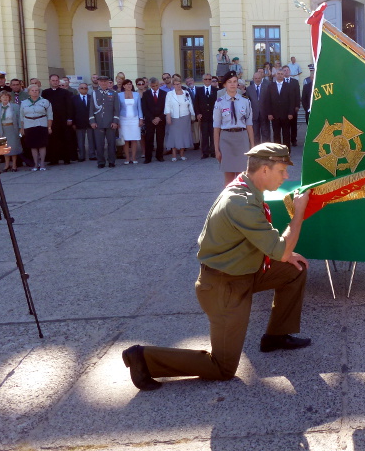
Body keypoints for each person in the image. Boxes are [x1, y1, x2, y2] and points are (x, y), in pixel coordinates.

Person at [122, 143, 312, 391]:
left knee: (293, 270)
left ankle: (276, 336)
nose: (286, 176)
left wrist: (283, 254)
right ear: (264, 170)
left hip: (243, 272)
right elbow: (281, 248)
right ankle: (143, 358)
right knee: (222, 368)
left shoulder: (247, 187)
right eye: (282, 170)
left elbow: (272, 246)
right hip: (224, 287)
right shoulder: (240, 202)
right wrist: (298, 214)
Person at [215, 71, 254, 186]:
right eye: (229, 82)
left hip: (242, 138)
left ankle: (243, 201)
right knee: (229, 178)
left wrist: (252, 146)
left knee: (244, 176)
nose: (232, 84)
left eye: (235, 82)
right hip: (226, 139)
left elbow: (249, 125)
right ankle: (228, 202)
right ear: (224, 85)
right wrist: (216, 149)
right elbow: (216, 127)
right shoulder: (219, 103)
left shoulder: (245, 101)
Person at [42, 74, 75, 165]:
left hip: (63, 120)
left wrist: (69, 118)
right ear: (50, 81)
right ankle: (53, 160)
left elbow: (69, 106)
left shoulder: (65, 92)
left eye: (56, 80)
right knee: (52, 140)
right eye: (53, 80)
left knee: (65, 139)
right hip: (51, 120)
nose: (55, 82)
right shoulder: (45, 93)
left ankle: (66, 159)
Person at [20, 84, 53, 171]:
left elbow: (50, 115)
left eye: (36, 90)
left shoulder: (45, 102)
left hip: (41, 124)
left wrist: (49, 127)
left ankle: (42, 164)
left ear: (39, 92)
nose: (35, 92)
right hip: (29, 125)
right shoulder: (24, 103)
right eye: (32, 90)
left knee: (42, 145)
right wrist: (22, 128)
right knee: (33, 145)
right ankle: (35, 164)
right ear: (29, 92)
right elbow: (21, 116)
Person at [89, 76, 120, 168]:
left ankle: (111, 161)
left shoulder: (113, 93)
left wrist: (115, 121)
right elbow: (91, 109)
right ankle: (101, 162)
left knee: (111, 143)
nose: (103, 83)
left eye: (105, 81)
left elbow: (116, 109)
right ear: (98, 82)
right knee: (99, 144)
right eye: (101, 81)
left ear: (108, 83)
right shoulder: (94, 93)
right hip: (98, 123)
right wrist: (92, 121)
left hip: (110, 123)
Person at [164, 76, 194, 161]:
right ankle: (174, 155)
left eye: (179, 83)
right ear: (173, 85)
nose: (178, 85)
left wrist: (193, 114)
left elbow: (190, 104)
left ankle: (182, 154)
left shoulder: (186, 92)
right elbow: (167, 106)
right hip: (174, 117)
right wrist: (168, 116)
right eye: (176, 84)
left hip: (185, 117)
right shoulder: (170, 94)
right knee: (174, 136)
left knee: (183, 136)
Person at [265, 68, 295, 151]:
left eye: (282, 74)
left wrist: (290, 113)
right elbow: (268, 100)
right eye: (278, 73)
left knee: (286, 134)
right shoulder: (271, 86)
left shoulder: (288, 86)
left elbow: (292, 100)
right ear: (276, 75)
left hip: (286, 115)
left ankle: (286, 152)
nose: (280, 75)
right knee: (276, 134)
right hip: (275, 115)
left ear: (284, 75)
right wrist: (269, 113)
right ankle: (277, 152)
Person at [0, 91, 22, 171]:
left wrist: (21, 128)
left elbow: (19, 118)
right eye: (3, 97)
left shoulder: (15, 106)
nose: (5, 98)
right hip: (1, 129)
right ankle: (6, 165)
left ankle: (14, 165)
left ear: (9, 98)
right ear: (0, 98)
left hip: (12, 128)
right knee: (4, 148)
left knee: (13, 147)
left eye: (6, 97)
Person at [141, 77, 167, 162]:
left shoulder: (164, 94)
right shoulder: (146, 94)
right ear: (149, 85)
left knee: (160, 139)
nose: (155, 87)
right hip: (150, 120)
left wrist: (159, 118)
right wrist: (152, 118)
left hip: (161, 119)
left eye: (156, 86)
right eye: (153, 86)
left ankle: (159, 156)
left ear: (159, 84)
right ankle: (148, 157)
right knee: (149, 138)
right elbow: (144, 108)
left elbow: (166, 108)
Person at [118, 79, 143, 164]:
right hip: (123, 119)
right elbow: (118, 108)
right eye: (127, 84)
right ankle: (127, 158)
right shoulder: (119, 95)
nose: (129, 86)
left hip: (134, 119)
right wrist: (117, 120)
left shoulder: (136, 94)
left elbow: (139, 107)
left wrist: (141, 118)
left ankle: (134, 157)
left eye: (130, 84)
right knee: (125, 139)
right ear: (124, 86)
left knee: (134, 139)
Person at [195, 73, 218, 158]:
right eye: (206, 79)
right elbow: (196, 103)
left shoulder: (215, 90)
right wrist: (198, 113)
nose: (208, 81)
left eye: (209, 79)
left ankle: (213, 151)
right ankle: (205, 152)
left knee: (213, 135)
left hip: (213, 116)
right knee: (204, 135)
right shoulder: (199, 90)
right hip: (203, 116)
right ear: (203, 80)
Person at [72, 82, 96, 161]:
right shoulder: (74, 98)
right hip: (79, 122)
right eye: (82, 88)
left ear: (87, 89)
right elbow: (72, 111)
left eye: (85, 88)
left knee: (91, 140)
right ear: (78, 89)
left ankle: (92, 155)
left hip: (90, 122)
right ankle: (81, 156)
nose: (84, 89)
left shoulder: (91, 97)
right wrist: (73, 123)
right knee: (80, 141)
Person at [246, 70, 271, 143]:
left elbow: (269, 101)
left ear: (261, 78)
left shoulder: (266, 87)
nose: (257, 80)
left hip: (264, 114)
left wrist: (269, 113)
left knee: (266, 134)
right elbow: (247, 102)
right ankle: (256, 150)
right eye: (256, 78)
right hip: (254, 115)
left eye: (259, 78)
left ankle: (266, 150)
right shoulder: (249, 89)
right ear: (253, 79)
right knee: (255, 134)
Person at [283, 67, 301, 146]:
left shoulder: (295, 82)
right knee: (285, 125)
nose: (286, 72)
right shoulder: (280, 82)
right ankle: (286, 140)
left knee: (293, 125)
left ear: (290, 71)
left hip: (293, 107)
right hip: (283, 108)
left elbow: (297, 94)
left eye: (287, 70)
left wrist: (297, 105)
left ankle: (294, 140)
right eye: (284, 70)